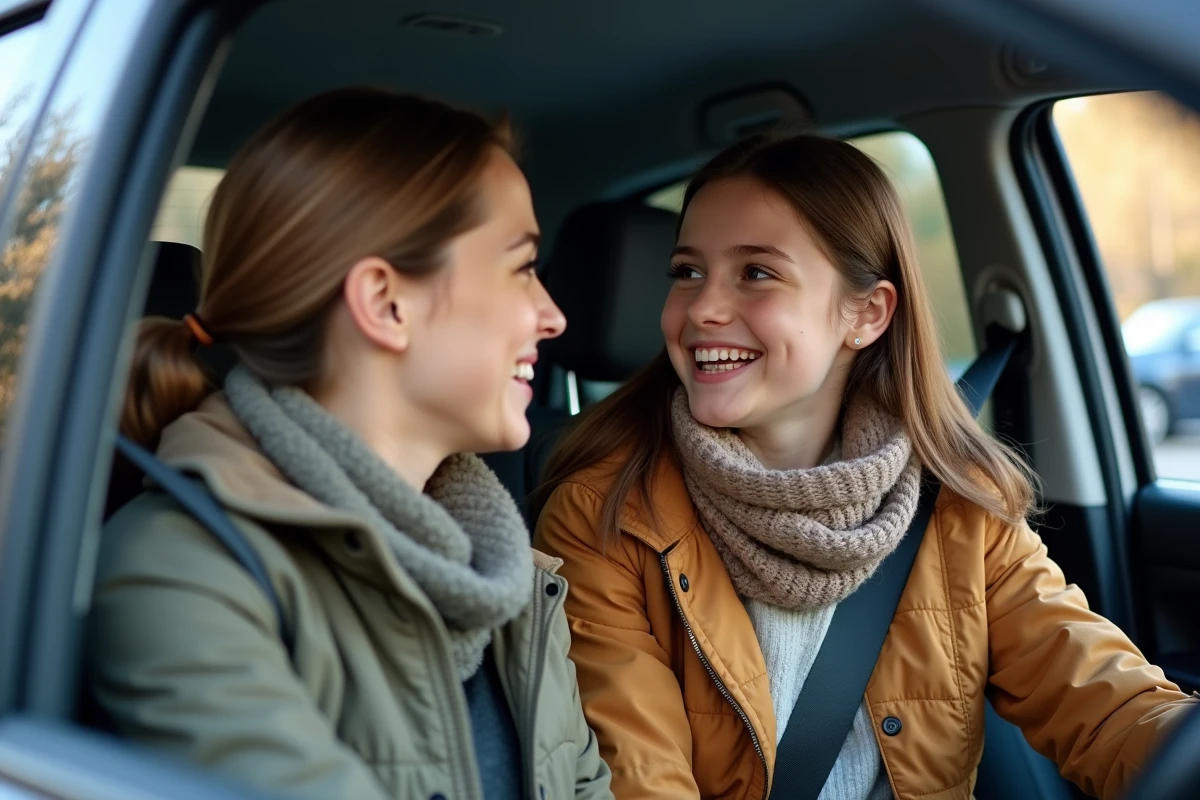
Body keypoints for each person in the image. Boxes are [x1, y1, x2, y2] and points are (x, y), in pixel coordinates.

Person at [532, 133, 1196, 800]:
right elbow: (639, 780)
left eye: (756, 272)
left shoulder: (960, 505)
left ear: (867, 314)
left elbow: (1105, 703)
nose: (702, 308)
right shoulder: (607, 516)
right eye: (686, 272)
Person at [86, 87, 612, 800]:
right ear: (386, 304)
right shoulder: (180, 571)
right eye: (521, 268)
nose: (552, 317)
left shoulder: (511, 580)